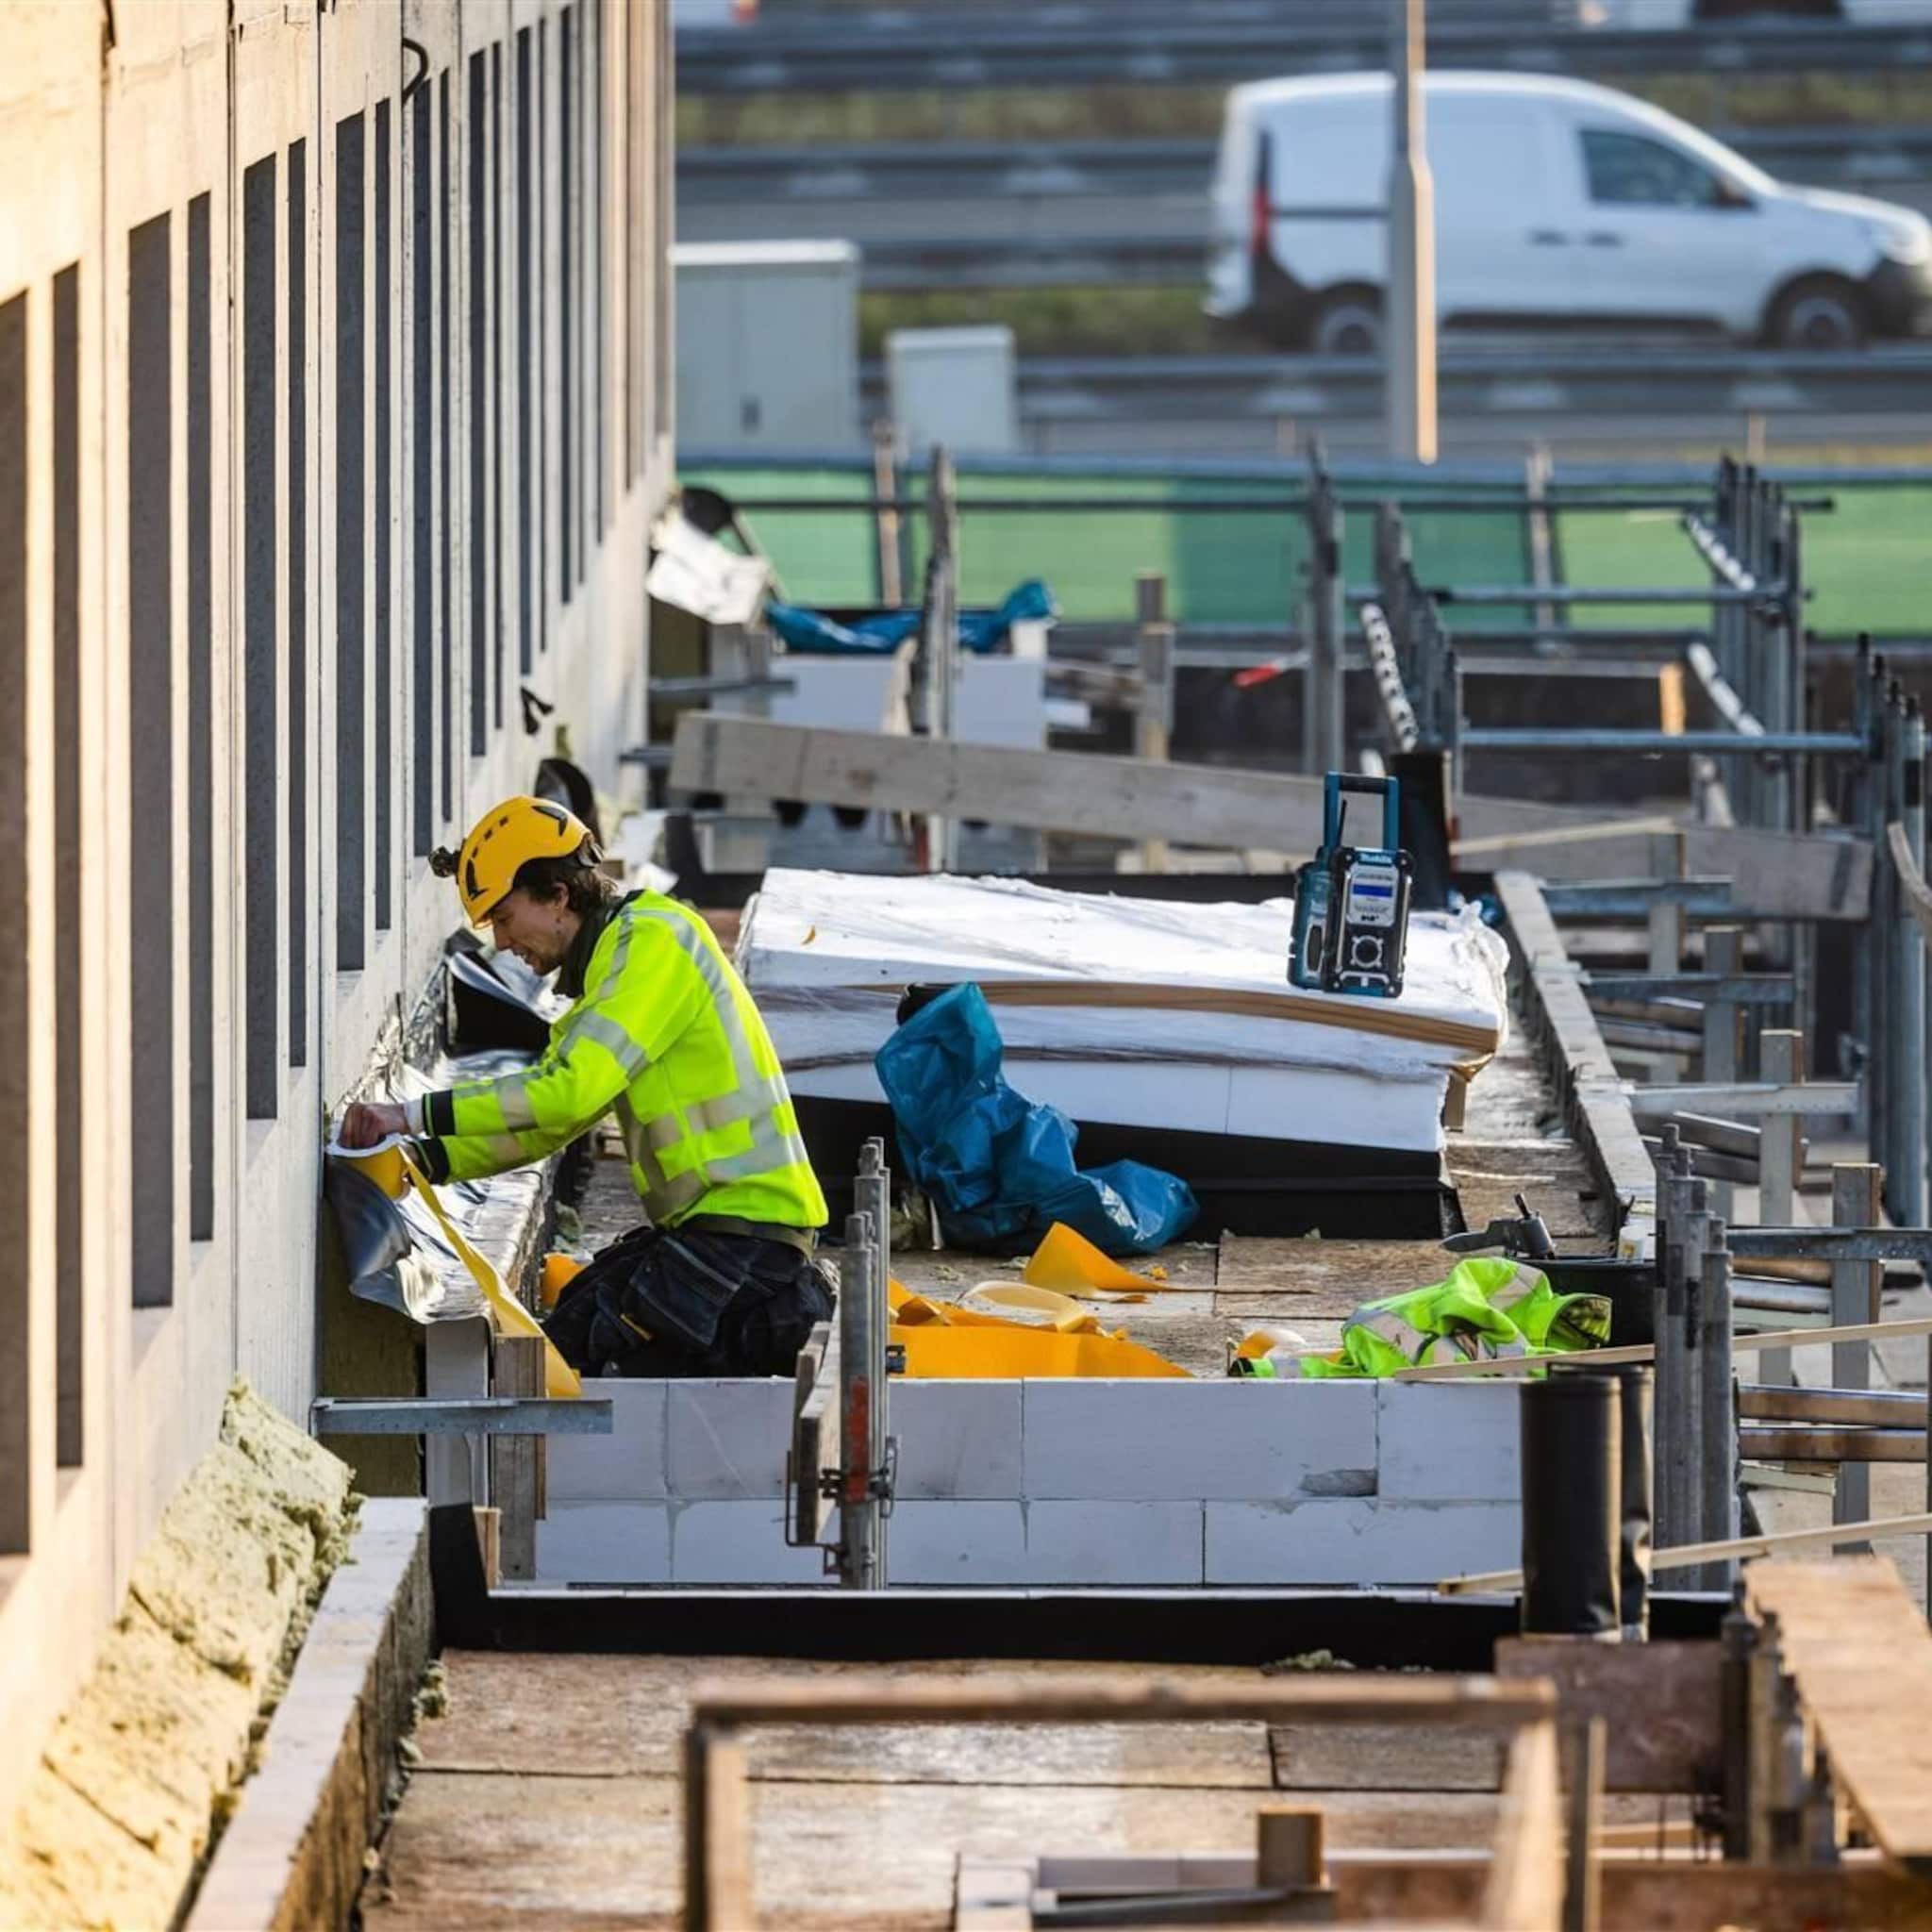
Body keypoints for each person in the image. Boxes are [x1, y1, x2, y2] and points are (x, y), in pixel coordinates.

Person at [340, 794, 832, 1376]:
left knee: (563, 1365)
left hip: (742, 1249)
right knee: (564, 1336)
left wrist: (411, 1116)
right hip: (728, 1242)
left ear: (557, 896)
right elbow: (550, 1125)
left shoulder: (654, 945)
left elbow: (566, 1093)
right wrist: (422, 1161)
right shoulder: (618, 968)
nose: (501, 942)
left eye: (503, 916)